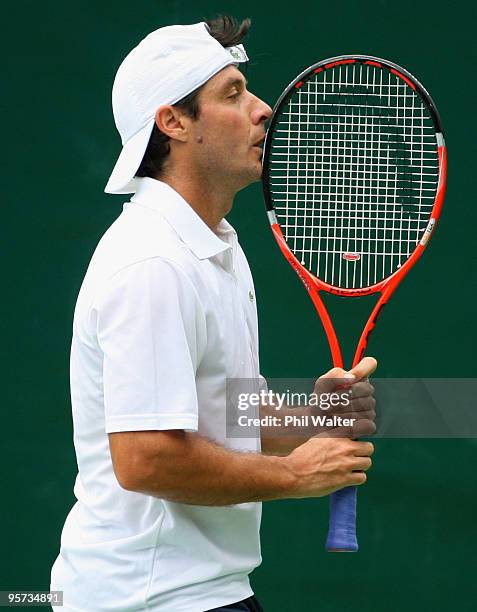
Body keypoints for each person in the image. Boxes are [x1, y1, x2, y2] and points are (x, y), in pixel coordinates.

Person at [50, 15, 377, 612]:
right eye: (232, 94)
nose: (263, 110)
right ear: (174, 123)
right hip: (143, 600)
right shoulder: (151, 263)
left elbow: (219, 408)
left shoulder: (216, 245)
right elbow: (146, 456)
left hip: (210, 592)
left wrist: (310, 418)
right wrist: (298, 475)